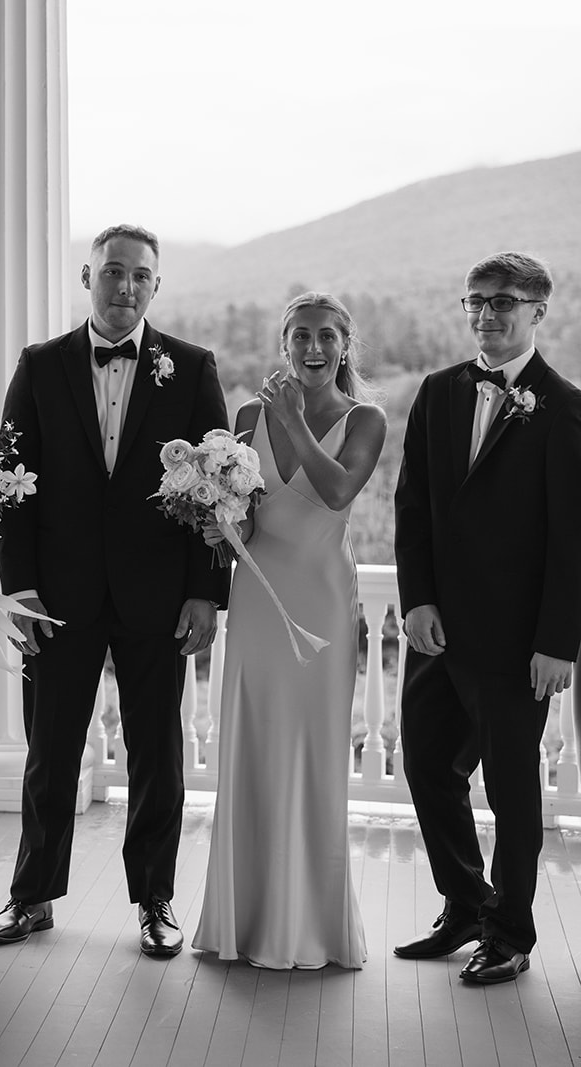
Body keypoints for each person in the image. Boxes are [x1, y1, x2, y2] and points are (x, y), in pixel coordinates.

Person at [0, 225, 230, 956]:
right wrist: (18, 588)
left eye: (140, 276)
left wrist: (204, 594)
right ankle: (30, 895)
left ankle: (154, 900)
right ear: (86, 276)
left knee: (157, 750)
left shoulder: (192, 369)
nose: (125, 287)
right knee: (50, 750)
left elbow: (216, 493)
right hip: (58, 595)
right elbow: (10, 486)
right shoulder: (40, 365)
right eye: (113, 273)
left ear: (156, 286)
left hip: (157, 596)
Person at [393, 252, 581, 984]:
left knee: (510, 787)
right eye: (474, 300)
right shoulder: (438, 393)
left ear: (539, 310)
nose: (486, 314)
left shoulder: (564, 407)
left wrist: (557, 641)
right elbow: (414, 507)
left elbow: (572, 538)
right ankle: (467, 902)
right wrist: (417, 600)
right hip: (438, 632)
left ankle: (510, 932)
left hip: (516, 643)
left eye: (503, 301)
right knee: (425, 765)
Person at [191, 293, 385, 969]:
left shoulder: (367, 418)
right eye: (300, 335)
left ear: (344, 345)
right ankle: (243, 919)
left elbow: (336, 491)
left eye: (327, 336)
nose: (313, 347)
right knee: (252, 747)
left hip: (323, 608)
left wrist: (294, 421)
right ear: (283, 343)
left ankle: (311, 926)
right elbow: (246, 518)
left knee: (312, 752)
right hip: (258, 606)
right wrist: (222, 526)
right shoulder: (245, 417)